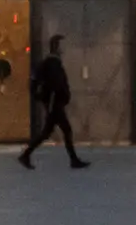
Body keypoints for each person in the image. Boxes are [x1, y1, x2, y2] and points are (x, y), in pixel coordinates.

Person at [17, 32, 86, 170]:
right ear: (57, 48)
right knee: (64, 130)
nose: (63, 50)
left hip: (53, 102)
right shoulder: (53, 64)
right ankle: (73, 160)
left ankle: (26, 155)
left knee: (48, 133)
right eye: (61, 46)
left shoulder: (50, 63)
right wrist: (60, 97)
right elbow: (57, 84)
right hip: (54, 103)